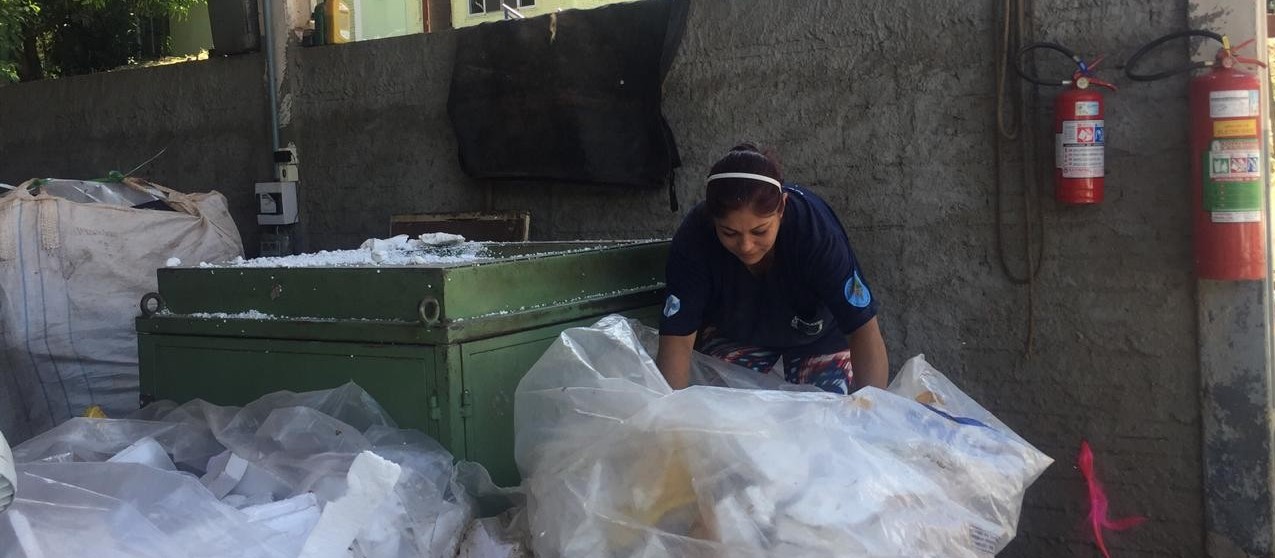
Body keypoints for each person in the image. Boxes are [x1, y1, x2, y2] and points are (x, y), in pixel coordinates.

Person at [655, 143, 888, 394]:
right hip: (735, 338)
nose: (746, 246)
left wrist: (871, 414)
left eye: (760, 231)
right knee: (728, 417)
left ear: (782, 208)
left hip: (818, 340)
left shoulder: (814, 231)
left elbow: (863, 328)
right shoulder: (695, 237)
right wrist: (669, 418)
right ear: (711, 219)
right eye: (729, 233)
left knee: (822, 419)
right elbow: (677, 339)